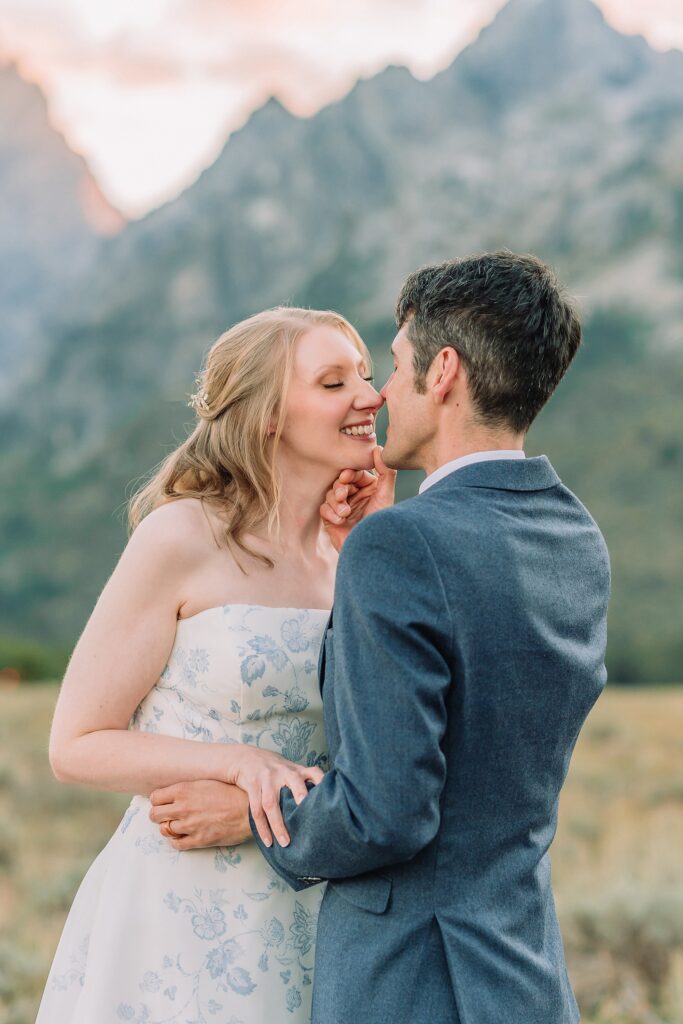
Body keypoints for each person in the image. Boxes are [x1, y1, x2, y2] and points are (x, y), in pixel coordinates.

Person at [156, 251, 611, 1024]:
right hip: (521, 970)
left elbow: (387, 812)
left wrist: (253, 821)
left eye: (394, 367)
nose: (380, 394)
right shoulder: (574, 536)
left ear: (443, 372)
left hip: (408, 978)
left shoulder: (400, 546)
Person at [36, 307, 389, 1024]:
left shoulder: (354, 555)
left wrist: (369, 547)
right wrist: (236, 762)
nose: (370, 396)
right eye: (332, 382)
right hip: (178, 905)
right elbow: (75, 746)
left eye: (366, 376)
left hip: (312, 906)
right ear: (266, 416)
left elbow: (384, 745)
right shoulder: (181, 536)